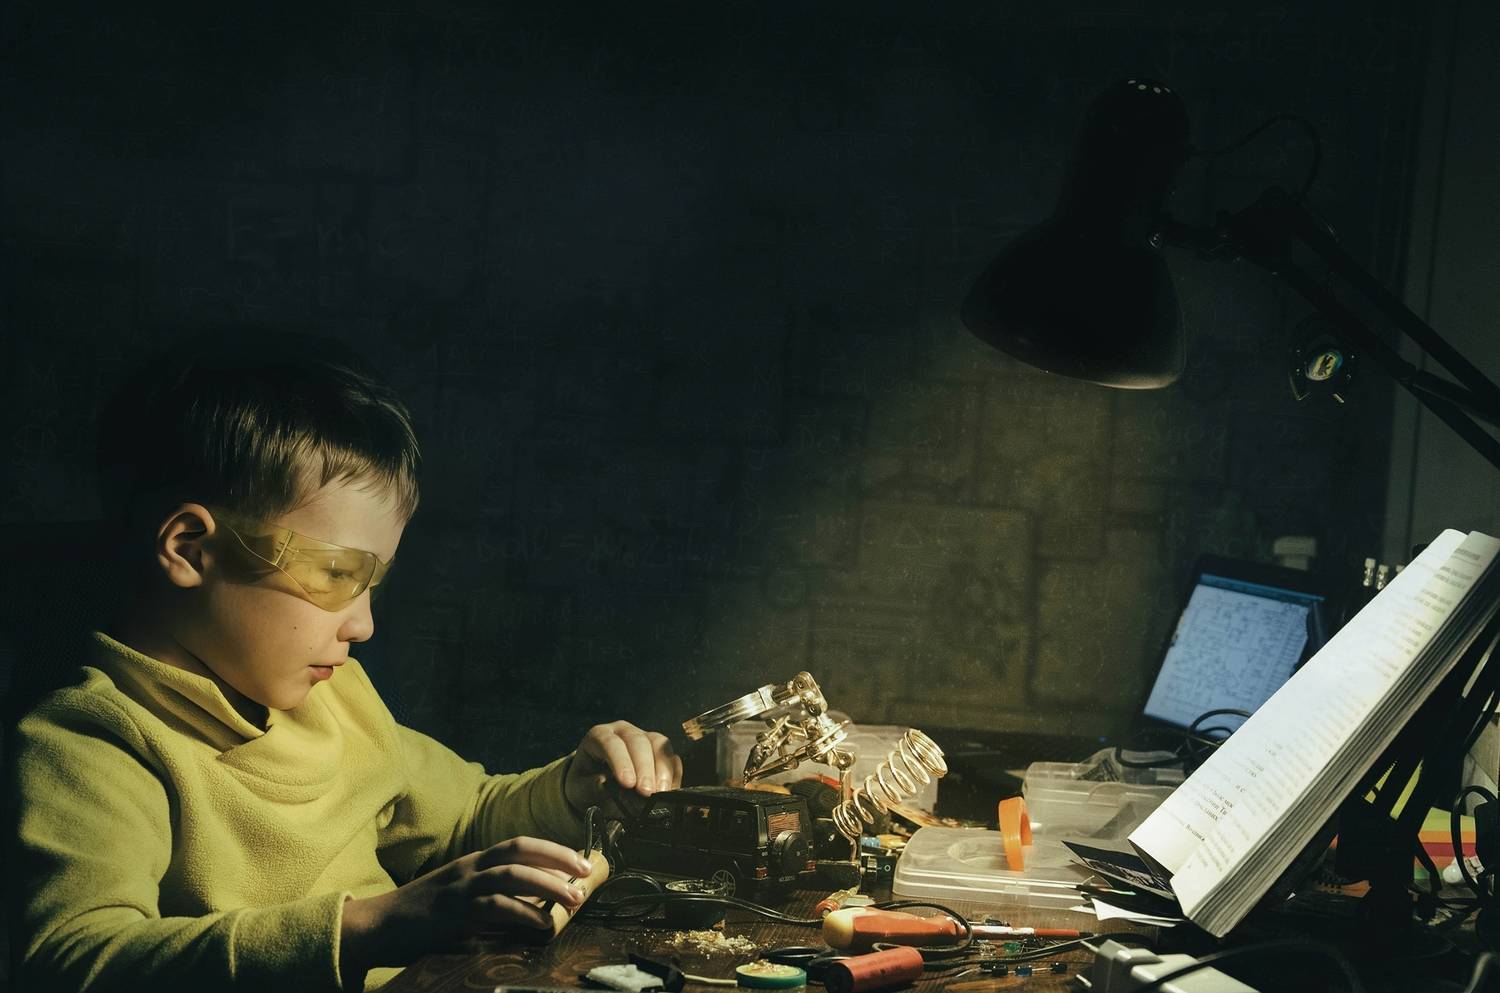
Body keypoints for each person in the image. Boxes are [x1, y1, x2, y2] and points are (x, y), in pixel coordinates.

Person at [3, 333, 682, 992]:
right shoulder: (93, 742)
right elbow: (75, 960)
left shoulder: (334, 696)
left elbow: (466, 817)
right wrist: (368, 927)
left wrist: (572, 790)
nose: (362, 624)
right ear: (190, 549)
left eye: (371, 583)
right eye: (334, 573)